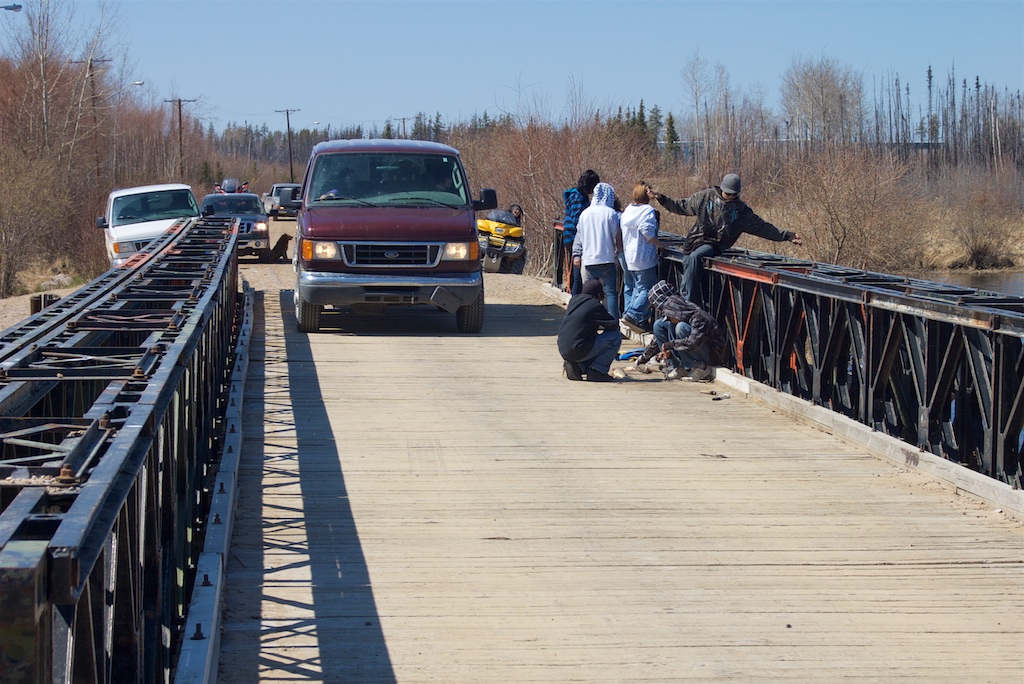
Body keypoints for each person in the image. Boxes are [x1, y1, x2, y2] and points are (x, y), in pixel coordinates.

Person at [650, 173, 802, 303]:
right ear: (722, 189)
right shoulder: (706, 197)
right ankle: (691, 299)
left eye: (733, 195)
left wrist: (786, 235)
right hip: (695, 240)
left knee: (695, 257)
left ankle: (688, 301)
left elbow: (762, 227)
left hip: (715, 244)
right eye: (728, 194)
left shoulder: (741, 211)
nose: (730, 197)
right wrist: (661, 198)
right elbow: (682, 206)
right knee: (689, 258)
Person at [630, 280, 728, 381]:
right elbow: (656, 341)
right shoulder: (678, 314)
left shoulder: (698, 318)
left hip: (712, 354)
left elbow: (693, 342)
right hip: (696, 345)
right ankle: (681, 366)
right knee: (660, 325)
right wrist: (643, 358)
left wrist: (671, 344)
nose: (658, 311)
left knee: (680, 327)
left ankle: (700, 367)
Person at [572, 182, 622, 319]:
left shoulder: (584, 214)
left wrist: (577, 255)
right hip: (607, 259)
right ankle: (613, 324)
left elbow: (579, 236)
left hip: (588, 260)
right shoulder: (610, 213)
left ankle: (589, 321)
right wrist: (618, 253)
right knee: (610, 294)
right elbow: (616, 236)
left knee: (589, 295)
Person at [619, 181, 665, 329]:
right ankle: (633, 314)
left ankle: (631, 316)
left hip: (630, 256)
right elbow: (647, 231)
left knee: (638, 288)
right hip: (644, 257)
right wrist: (659, 244)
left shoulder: (628, 211)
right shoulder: (647, 211)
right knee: (649, 288)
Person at [557, 279, 622, 382]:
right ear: (598, 293)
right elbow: (613, 324)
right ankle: (597, 371)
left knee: (588, 339)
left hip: (564, 348)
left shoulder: (574, 300)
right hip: (579, 348)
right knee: (615, 337)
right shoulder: (595, 305)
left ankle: (577, 366)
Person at [562, 170, 600, 295]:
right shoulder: (577, 197)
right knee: (577, 276)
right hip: (574, 237)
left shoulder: (579, 195)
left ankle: (576, 300)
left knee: (577, 275)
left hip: (573, 236)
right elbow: (577, 219)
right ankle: (576, 300)